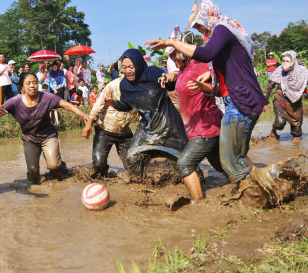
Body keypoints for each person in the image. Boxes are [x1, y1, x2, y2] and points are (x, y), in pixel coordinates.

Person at [145, 0, 268, 191]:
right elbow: (218, 76)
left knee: (230, 160)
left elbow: (205, 54)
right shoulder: (219, 37)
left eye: (199, 24)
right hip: (234, 101)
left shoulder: (222, 27)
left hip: (241, 100)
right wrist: (209, 80)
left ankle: (255, 197)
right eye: (196, 27)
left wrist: (171, 42)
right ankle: (262, 187)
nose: (199, 29)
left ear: (208, 15)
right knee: (233, 159)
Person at [104, 49, 188, 177]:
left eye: (131, 67)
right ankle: (144, 185)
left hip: (169, 124)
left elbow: (171, 86)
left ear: (138, 64)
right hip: (147, 127)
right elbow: (127, 106)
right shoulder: (125, 85)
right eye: (124, 67)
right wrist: (114, 103)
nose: (127, 71)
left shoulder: (154, 72)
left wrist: (171, 78)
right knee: (132, 158)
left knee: (183, 164)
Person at [160, 32, 224, 201]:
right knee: (222, 166)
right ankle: (249, 185)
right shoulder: (182, 69)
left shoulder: (201, 64)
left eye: (175, 54)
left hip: (207, 126)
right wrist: (170, 76)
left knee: (185, 164)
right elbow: (181, 81)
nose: (173, 59)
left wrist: (203, 86)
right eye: (171, 56)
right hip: (197, 129)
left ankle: (198, 204)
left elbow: (217, 87)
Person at [0, 72, 89, 184]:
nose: (32, 86)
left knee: (53, 165)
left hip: (48, 136)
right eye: (28, 83)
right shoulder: (15, 102)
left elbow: (67, 105)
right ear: (22, 87)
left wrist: (84, 115)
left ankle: (60, 167)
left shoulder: (47, 97)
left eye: (34, 82)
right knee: (33, 176)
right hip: (29, 139)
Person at [264, 51, 308, 141]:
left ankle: (296, 150)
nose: (284, 63)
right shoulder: (279, 70)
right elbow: (269, 86)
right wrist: (265, 101)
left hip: (296, 100)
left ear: (293, 61)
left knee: (297, 129)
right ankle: (273, 132)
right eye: (283, 61)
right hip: (281, 98)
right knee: (280, 122)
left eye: (287, 61)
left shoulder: (302, 71)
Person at [82, 71, 135, 178]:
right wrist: (88, 125)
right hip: (105, 130)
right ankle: (104, 178)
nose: (126, 75)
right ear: (120, 73)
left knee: (134, 168)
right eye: (124, 72)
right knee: (98, 164)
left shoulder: (139, 88)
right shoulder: (112, 86)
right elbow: (97, 106)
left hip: (124, 132)